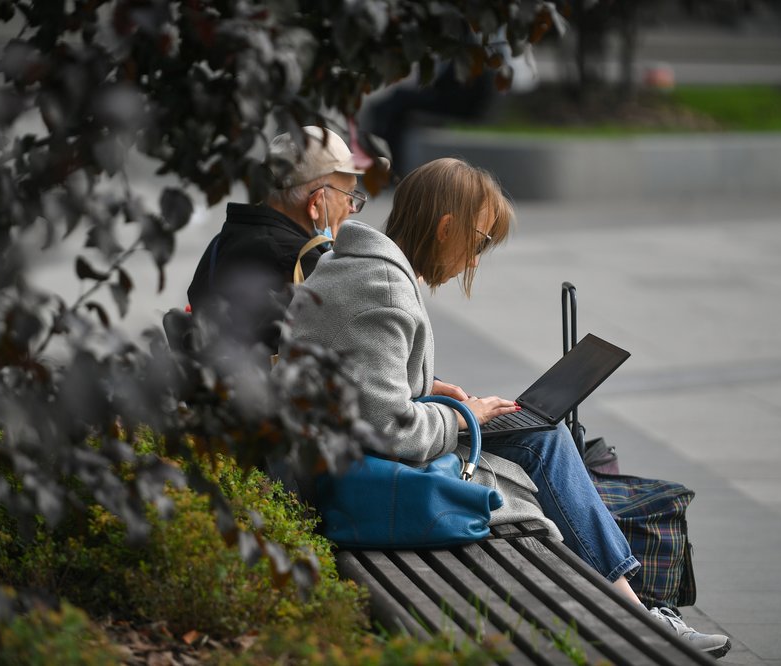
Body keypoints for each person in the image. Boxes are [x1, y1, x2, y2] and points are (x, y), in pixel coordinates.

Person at [281, 157, 731, 659]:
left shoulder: (357, 266)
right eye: (478, 244)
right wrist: (462, 415)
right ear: (446, 228)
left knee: (542, 436)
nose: (475, 262)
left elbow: (365, 384)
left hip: (340, 455)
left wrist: (433, 388)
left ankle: (634, 605)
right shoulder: (382, 288)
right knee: (544, 449)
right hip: (361, 479)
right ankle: (638, 615)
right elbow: (391, 430)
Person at [184, 125, 386, 360]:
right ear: (316, 203)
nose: (352, 208)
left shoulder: (222, 242)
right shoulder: (304, 263)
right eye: (349, 195)